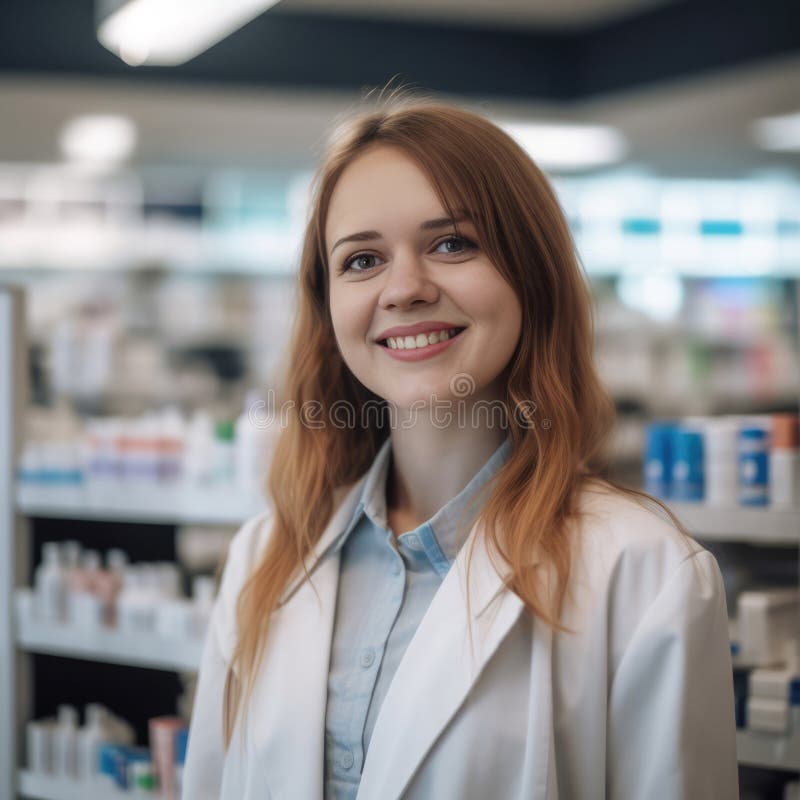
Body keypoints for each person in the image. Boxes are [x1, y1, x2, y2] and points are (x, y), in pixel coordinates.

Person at [182, 94, 739, 800]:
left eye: (452, 244)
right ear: (326, 307)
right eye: (362, 260)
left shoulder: (644, 573)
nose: (405, 288)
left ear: (531, 275)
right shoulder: (265, 558)